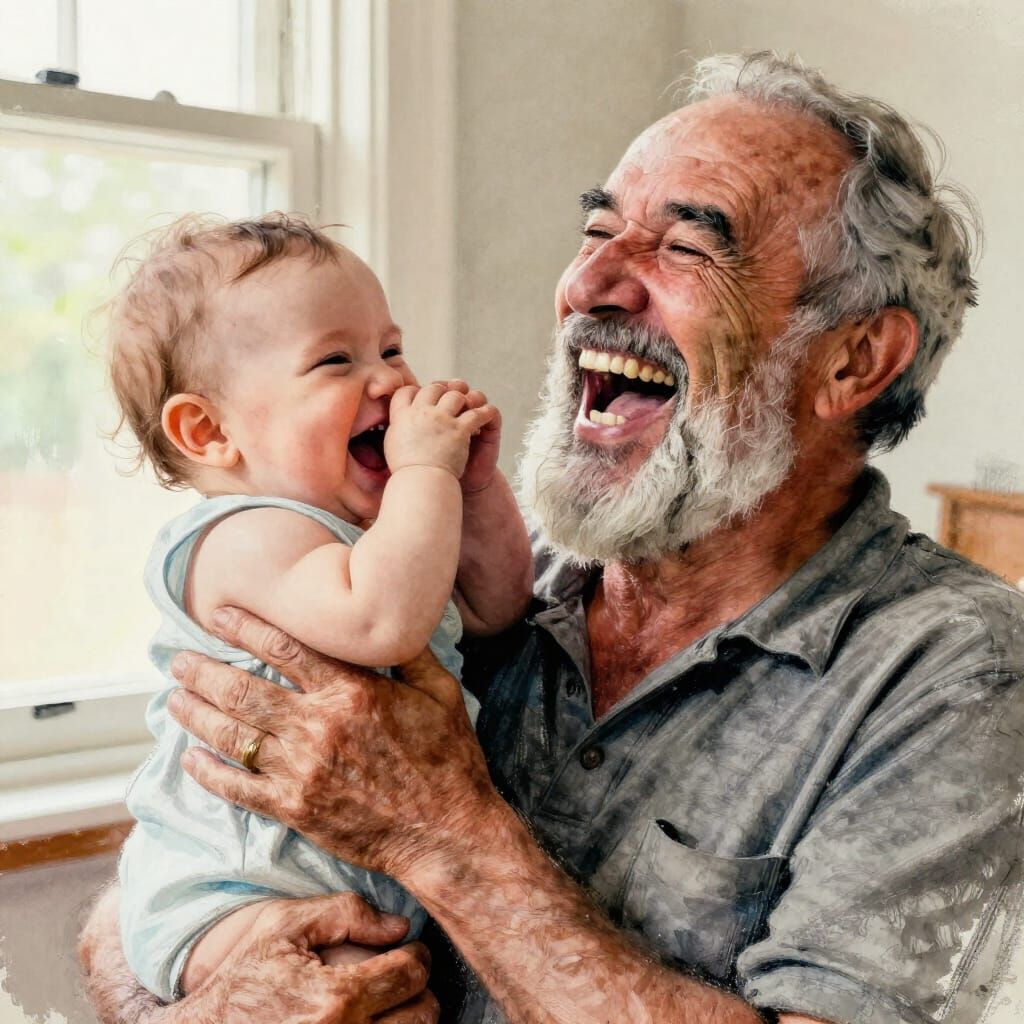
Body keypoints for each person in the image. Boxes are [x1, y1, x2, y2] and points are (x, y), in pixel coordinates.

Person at [80, 52, 1024, 1024]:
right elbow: (157, 870)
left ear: (855, 358)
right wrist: (183, 1010)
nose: (588, 283)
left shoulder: (956, 665)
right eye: (596, 229)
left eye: (687, 248)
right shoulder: (489, 565)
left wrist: (441, 829)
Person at [104, 216, 533, 1002]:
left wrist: (470, 485)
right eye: (336, 360)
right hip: (233, 893)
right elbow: (382, 623)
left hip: (356, 883)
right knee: (350, 992)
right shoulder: (242, 538)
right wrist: (424, 478)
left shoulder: (380, 532)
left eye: (392, 348)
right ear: (210, 431)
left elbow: (498, 607)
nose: (389, 381)